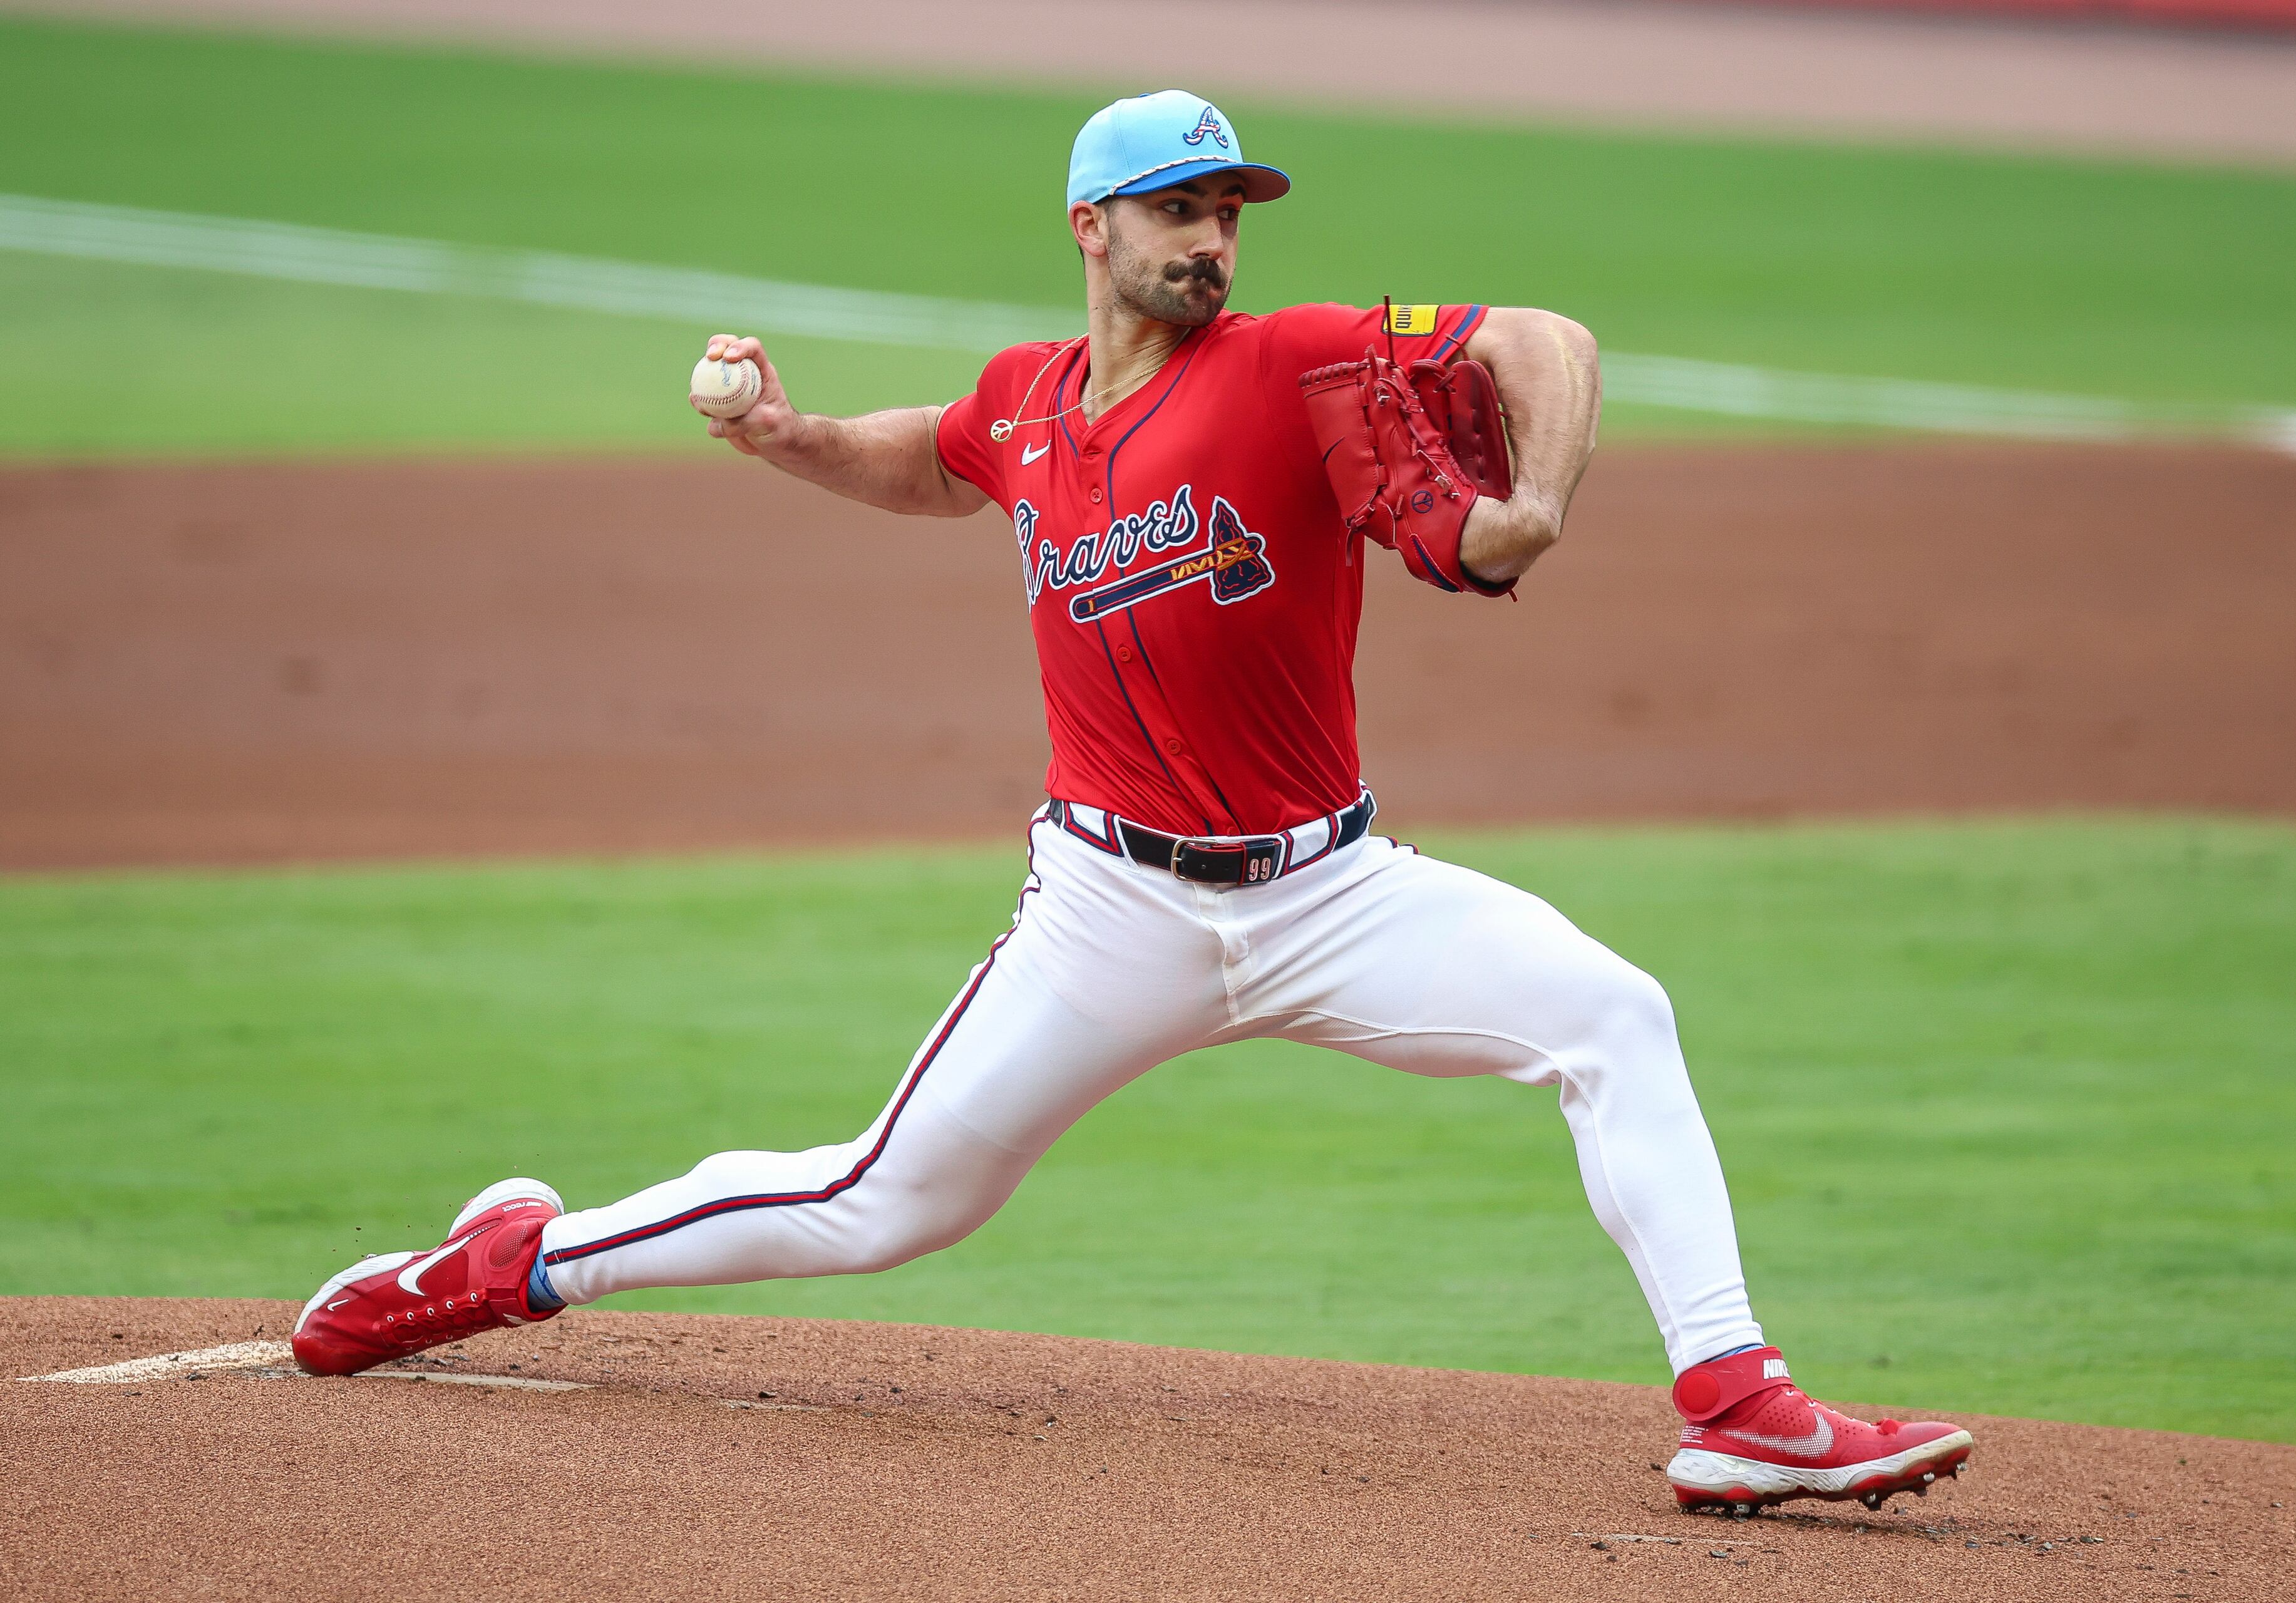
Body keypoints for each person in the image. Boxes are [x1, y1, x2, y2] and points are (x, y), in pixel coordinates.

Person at [294, 89, 1970, 1515]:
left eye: (1230, 210)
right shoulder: (1027, 398)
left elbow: (1549, 339)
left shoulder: (1293, 367)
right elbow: (931, 458)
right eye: (1180, 208)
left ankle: (1738, 1403)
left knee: (1612, 1013)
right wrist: (792, 437)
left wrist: (1534, 497)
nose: (1215, 238)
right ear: (1092, 224)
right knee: (885, 1200)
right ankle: (509, 1263)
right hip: (1112, 911)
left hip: (1331, 896)